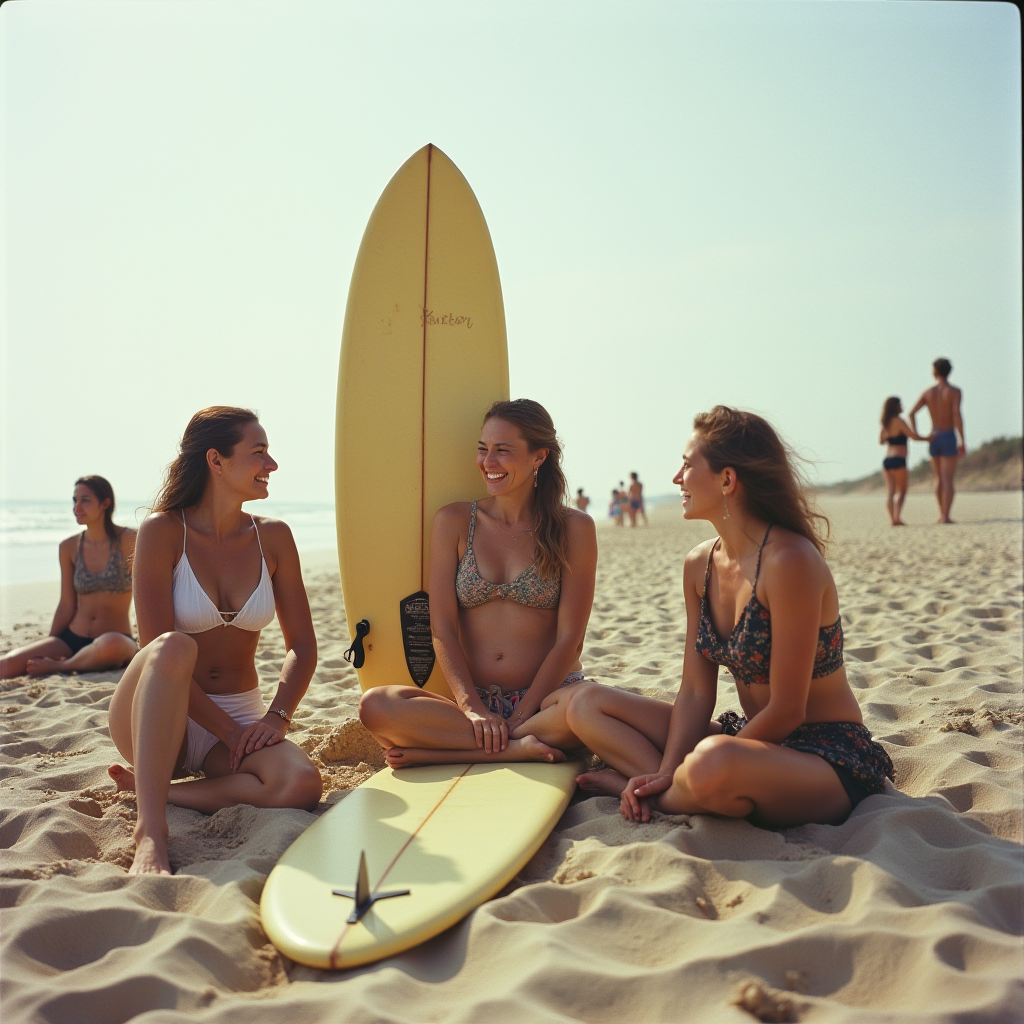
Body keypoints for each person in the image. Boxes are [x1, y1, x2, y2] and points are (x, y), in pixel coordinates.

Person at [567, 406, 894, 828]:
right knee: (587, 705)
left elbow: (788, 710)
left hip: (826, 756)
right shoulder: (699, 565)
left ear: (727, 479)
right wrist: (668, 767)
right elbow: (694, 694)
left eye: (687, 465)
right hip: (747, 738)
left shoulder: (790, 561)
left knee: (712, 761)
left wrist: (712, 755)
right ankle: (664, 784)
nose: (676, 478)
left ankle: (653, 791)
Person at [106, 407, 322, 875]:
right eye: (259, 452)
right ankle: (151, 828)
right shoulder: (162, 533)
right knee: (174, 646)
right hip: (162, 714)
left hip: (241, 715)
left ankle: (156, 789)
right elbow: (153, 649)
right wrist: (227, 730)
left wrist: (276, 717)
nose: (272, 465)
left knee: (301, 785)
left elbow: (303, 647)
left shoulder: (275, 537)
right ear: (216, 461)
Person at [359, 399, 598, 769]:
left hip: (551, 701)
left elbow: (571, 639)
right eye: (483, 449)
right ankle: (516, 748)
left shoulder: (574, 528)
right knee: (376, 706)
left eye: (503, 451)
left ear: (539, 457)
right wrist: (471, 707)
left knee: (583, 710)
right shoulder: (454, 521)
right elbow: (442, 627)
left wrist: (523, 715)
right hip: (478, 704)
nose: (488, 462)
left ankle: (468, 748)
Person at [1, 476, 138, 679]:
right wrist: (50, 642)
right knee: (7, 664)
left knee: (111, 645)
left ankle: (62, 667)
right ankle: (69, 662)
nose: (77, 508)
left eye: (85, 500)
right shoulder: (69, 547)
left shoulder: (130, 540)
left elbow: (148, 596)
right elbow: (66, 604)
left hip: (115, 641)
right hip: (71, 638)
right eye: (75, 500)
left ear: (105, 503)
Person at [909, 358, 965, 524]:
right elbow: (956, 414)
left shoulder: (928, 392)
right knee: (948, 478)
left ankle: (941, 513)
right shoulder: (954, 391)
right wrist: (962, 439)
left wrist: (919, 435)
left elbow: (911, 413)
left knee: (938, 478)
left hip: (934, 436)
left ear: (935, 371)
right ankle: (945, 516)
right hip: (948, 434)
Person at [878, 397, 924, 527]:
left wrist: (889, 438)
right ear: (895, 406)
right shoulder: (899, 421)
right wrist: (927, 438)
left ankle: (892, 519)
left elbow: (881, 441)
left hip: (887, 460)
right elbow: (913, 436)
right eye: (900, 404)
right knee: (902, 491)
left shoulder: (885, 424)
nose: (902, 406)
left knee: (890, 492)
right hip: (899, 459)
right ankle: (897, 518)